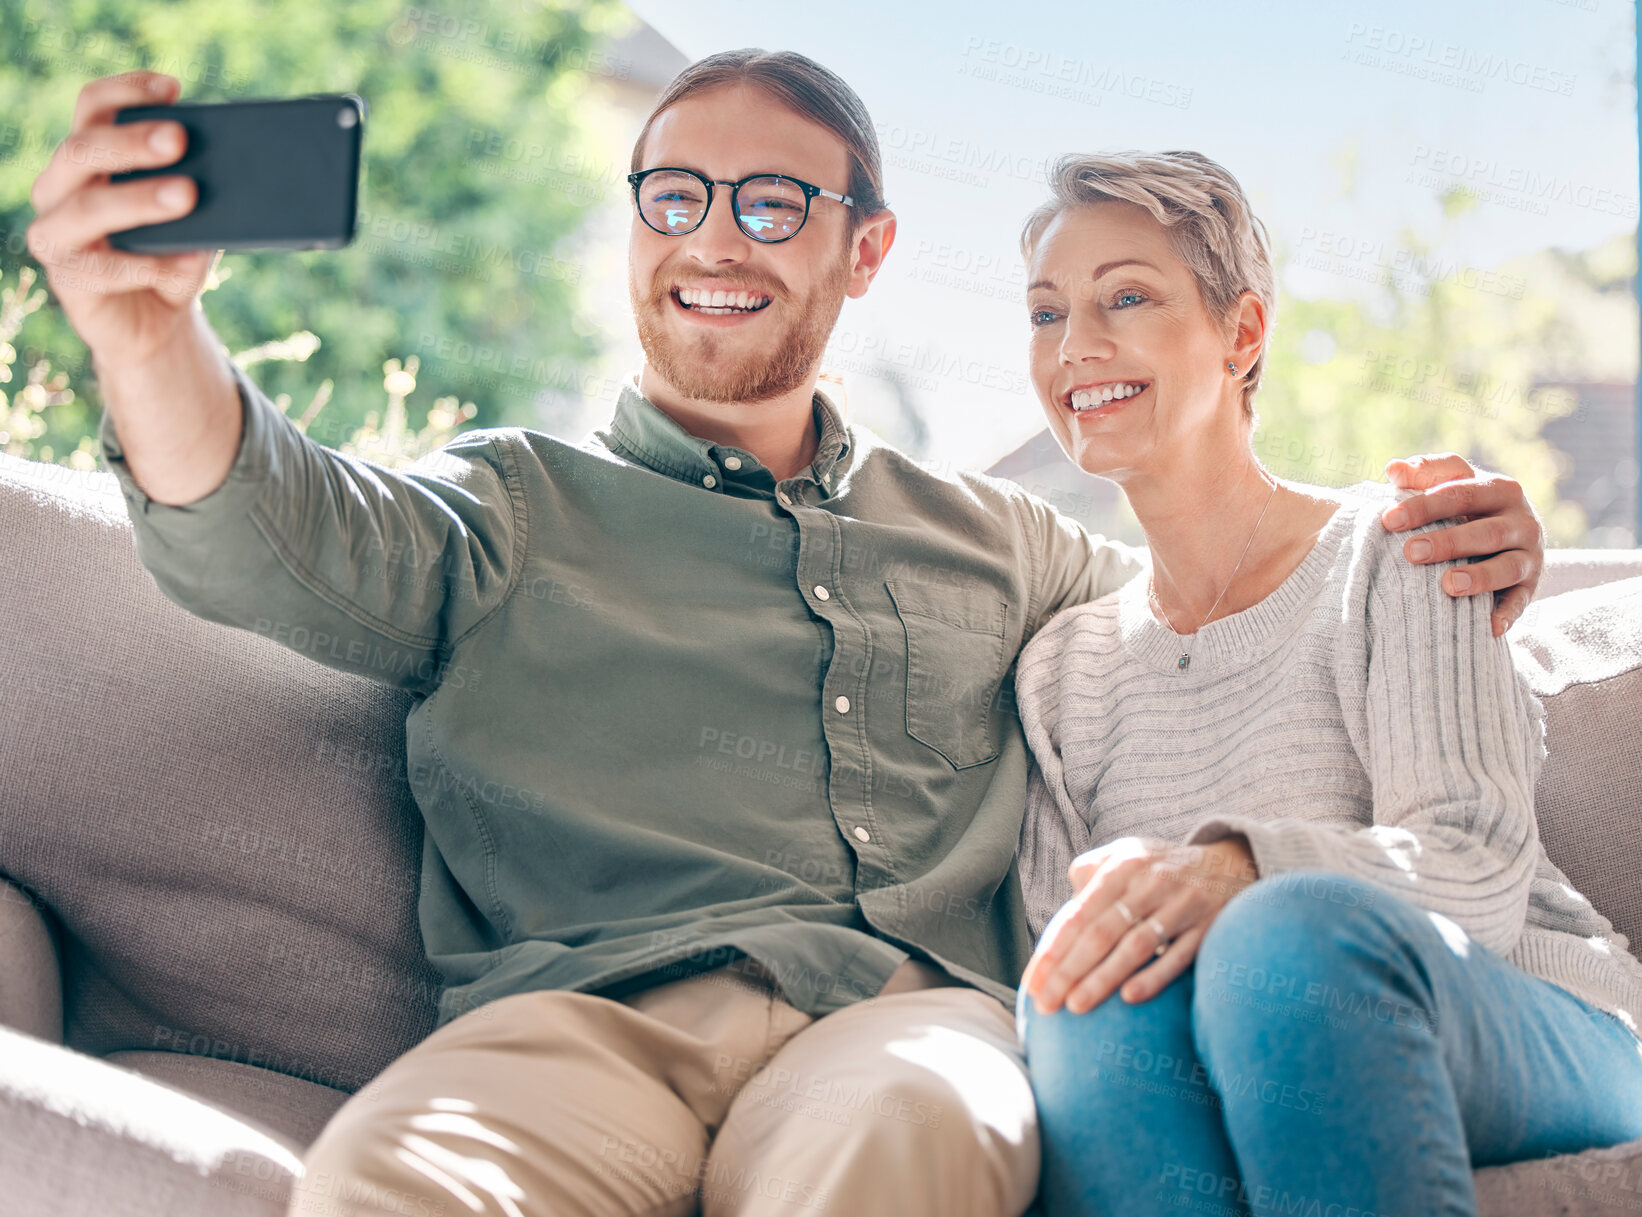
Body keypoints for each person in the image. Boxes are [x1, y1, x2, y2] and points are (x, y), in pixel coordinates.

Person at [26, 52, 1545, 1217]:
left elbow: (1215, 587)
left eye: (772, 204)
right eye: (673, 197)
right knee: (392, 1182)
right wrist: (152, 341)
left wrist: (1420, 533)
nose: (715, 240)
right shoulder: (506, 502)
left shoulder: (1001, 541)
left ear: (864, 251)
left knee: (924, 1130)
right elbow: (269, 532)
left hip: (892, 1027)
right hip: (576, 1026)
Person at [1009, 149, 1642, 1217]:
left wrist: (1236, 869)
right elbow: (1065, 950)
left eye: (1126, 295)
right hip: (1231, 1058)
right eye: (1043, 311)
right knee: (1083, 1008)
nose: (1077, 346)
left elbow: (1476, 866)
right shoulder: (1062, 670)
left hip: (1532, 1022)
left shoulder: (1398, 551)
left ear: (1242, 332)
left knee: (1283, 937)